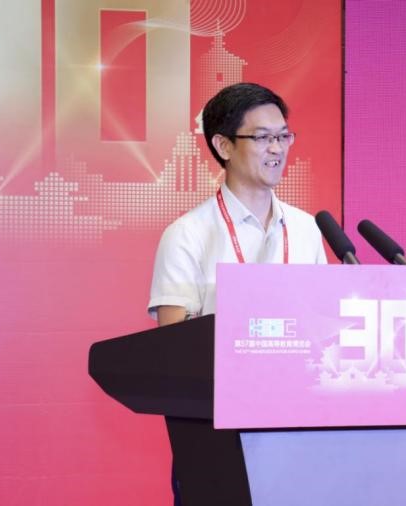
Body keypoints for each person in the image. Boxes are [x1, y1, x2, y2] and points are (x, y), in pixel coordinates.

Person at [148, 82, 327, 504]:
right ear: (224, 145)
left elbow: (322, 324)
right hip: (217, 434)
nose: (277, 149)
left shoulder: (306, 229)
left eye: (283, 136)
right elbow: (174, 347)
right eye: (262, 138)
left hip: (298, 426)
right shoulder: (188, 235)